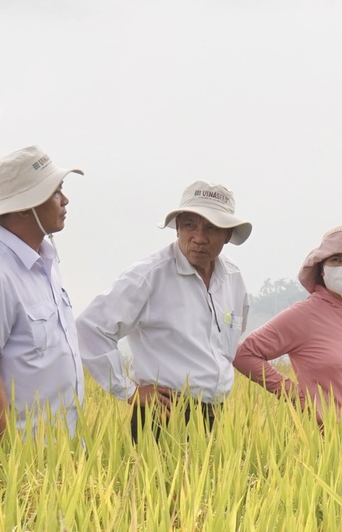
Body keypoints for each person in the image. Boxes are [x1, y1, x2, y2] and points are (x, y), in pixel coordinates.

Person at [77, 181, 251, 438]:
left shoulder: (232, 277)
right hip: (163, 414)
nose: (199, 238)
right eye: (190, 225)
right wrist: (129, 390)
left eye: (212, 228)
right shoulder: (149, 275)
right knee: (160, 479)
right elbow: (90, 327)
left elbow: (229, 342)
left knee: (214, 478)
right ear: (177, 227)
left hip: (216, 414)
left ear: (227, 234)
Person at [0, 146, 84, 435]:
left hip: (60, 452)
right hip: (20, 458)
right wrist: (9, 455)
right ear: (27, 205)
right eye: (55, 192)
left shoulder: (46, 262)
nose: (65, 200)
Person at [233, 226, 342, 431]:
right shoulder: (303, 315)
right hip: (323, 446)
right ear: (322, 269)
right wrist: (298, 397)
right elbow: (245, 354)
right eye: (336, 260)